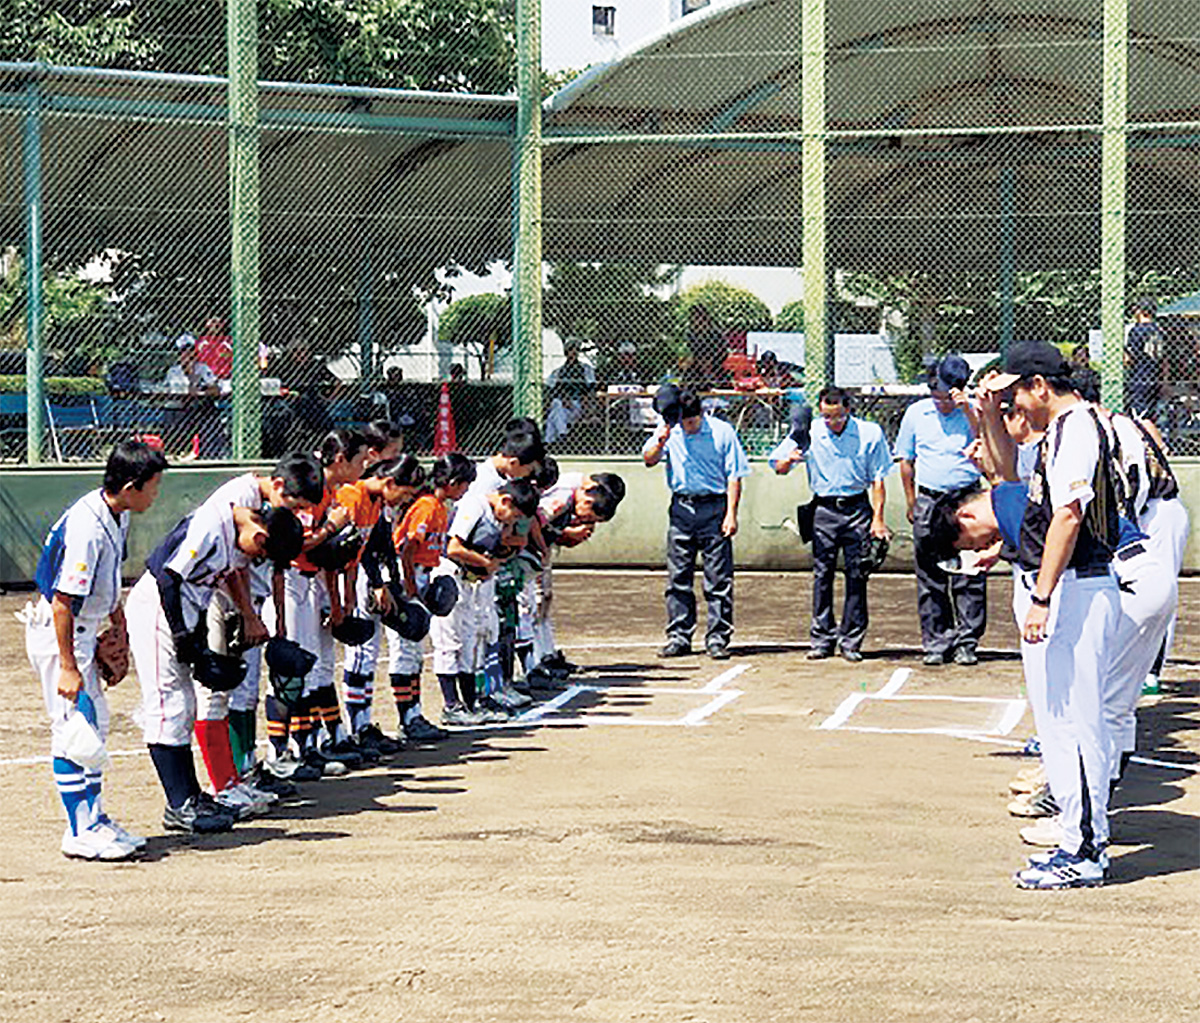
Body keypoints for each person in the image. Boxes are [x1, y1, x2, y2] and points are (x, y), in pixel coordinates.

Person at [930, 342, 1122, 889]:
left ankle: (1088, 850)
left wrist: (1041, 595)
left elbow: (1069, 515)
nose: (1012, 400)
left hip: (1079, 587)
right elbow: (1006, 473)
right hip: (1071, 587)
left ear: (1040, 386)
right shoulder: (1057, 432)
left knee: (1079, 726)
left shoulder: (1078, 426)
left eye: (1016, 391)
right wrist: (987, 411)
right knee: (1060, 725)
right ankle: (1074, 841)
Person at [24, 441, 168, 860]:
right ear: (129, 486)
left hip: (81, 633)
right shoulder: (89, 526)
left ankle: (94, 819)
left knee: (96, 724)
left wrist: (119, 626)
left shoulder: (114, 513)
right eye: (152, 487)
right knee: (74, 730)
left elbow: (104, 584)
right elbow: (62, 602)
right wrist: (69, 666)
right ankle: (78, 829)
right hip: (59, 635)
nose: (155, 495)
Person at [126, 495, 304, 835]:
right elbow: (167, 577)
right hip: (159, 610)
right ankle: (180, 805)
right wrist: (183, 636)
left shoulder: (233, 529)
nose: (258, 561)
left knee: (187, 704)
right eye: (263, 554)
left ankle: (191, 796)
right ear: (261, 537)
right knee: (170, 707)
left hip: (181, 613)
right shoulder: (212, 524)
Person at [768, 386, 892, 661]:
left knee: (858, 574)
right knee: (822, 574)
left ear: (847, 409)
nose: (832, 422)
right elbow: (777, 464)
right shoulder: (808, 432)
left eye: (837, 416)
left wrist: (878, 519)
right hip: (823, 509)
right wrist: (788, 460)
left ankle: (851, 640)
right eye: (826, 416)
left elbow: (878, 479)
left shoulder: (869, 433)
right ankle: (822, 638)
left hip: (857, 507)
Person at [643, 387, 749, 660]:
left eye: (691, 422)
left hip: (714, 507)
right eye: (683, 423)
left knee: (718, 579)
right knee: (678, 577)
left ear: (701, 414)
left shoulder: (722, 432)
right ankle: (679, 636)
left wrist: (731, 514)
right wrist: (661, 441)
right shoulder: (669, 429)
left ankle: (717, 637)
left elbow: (734, 475)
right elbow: (649, 459)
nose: (687, 428)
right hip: (681, 507)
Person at [895, 354, 986, 665]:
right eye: (936, 395)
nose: (941, 402)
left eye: (947, 397)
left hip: (966, 499)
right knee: (930, 573)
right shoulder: (916, 414)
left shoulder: (971, 413)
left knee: (969, 571)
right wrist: (911, 502)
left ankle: (967, 640)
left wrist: (967, 408)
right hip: (930, 500)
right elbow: (906, 462)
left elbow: (986, 440)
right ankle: (936, 640)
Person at [431, 478, 541, 726]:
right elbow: (453, 547)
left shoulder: (493, 515)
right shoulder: (475, 505)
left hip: (469, 582)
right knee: (449, 643)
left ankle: (471, 703)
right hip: (449, 577)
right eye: (513, 515)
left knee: (469, 640)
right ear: (506, 500)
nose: (511, 522)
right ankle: (451, 705)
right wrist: (485, 563)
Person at [388, 453, 477, 740]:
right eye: (463, 484)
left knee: (414, 653)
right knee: (405, 651)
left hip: (420, 575)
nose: (465, 490)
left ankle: (414, 715)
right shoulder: (427, 506)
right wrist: (411, 590)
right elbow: (406, 549)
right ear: (451, 483)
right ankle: (407, 720)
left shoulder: (438, 506)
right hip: (406, 577)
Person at [164, 334, 220, 457]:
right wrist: (188, 374)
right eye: (183, 352)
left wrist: (195, 378)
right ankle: (178, 449)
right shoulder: (173, 371)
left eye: (190, 351)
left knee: (210, 413)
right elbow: (177, 393)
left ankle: (208, 452)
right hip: (179, 408)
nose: (187, 355)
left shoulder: (203, 368)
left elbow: (215, 389)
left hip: (200, 407)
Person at [544, 340, 598, 444]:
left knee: (553, 414)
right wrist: (564, 398)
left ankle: (550, 441)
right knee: (557, 406)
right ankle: (561, 435)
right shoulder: (558, 371)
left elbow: (591, 388)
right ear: (566, 353)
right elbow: (552, 391)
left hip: (579, 405)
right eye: (570, 350)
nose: (573, 353)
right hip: (564, 407)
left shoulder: (585, 369)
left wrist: (586, 401)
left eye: (575, 350)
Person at [1125, 297, 1164, 416]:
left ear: (1140, 311)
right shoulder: (1159, 329)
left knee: (1138, 413)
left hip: (1139, 375)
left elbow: (1130, 358)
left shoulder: (1136, 330)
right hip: (1155, 374)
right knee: (1151, 411)